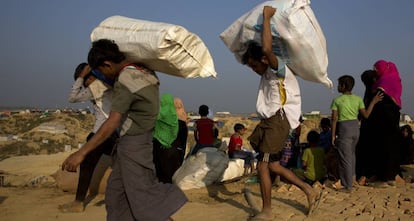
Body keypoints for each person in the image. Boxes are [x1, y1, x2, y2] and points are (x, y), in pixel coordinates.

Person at [61, 39, 187, 221]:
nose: (102, 76)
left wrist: (81, 153)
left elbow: (112, 122)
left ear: (107, 64)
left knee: (146, 202)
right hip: (135, 143)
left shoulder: (125, 82)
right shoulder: (145, 71)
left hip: (133, 145)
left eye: (100, 71)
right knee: (116, 196)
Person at [242, 6, 322, 219]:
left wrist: (267, 18)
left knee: (263, 166)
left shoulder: (278, 69)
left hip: (279, 120)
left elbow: (267, 49)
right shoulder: (267, 74)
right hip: (269, 121)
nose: (254, 70)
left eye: (254, 65)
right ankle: (309, 190)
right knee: (274, 165)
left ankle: (267, 211)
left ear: (265, 60)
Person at [59, 62, 117, 213]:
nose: (87, 84)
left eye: (86, 81)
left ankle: (78, 202)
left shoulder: (96, 86)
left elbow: (72, 98)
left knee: (87, 166)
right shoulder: (108, 84)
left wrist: (80, 77)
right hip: (114, 132)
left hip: (101, 132)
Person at [330, 75, 382, 192]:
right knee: (351, 156)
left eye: (339, 84)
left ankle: (348, 186)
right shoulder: (358, 99)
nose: (338, 86)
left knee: (345, 158)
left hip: (344, 129)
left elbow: (334, 119)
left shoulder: (337, 100)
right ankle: (351, 180)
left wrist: (333, 135)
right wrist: (373, 102)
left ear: (343, 86)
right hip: (355, 128)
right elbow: (366, 115)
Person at [369, 60, 405, 185]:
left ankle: (385, 177)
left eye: (377, 70)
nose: (376, 72)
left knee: (383, 147)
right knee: (392, 147)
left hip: (383, 120)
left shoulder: (383, 83)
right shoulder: (396, 81)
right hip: (393, 118)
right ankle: (392, 176)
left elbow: (377, 99)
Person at [153, 93, 188, 183]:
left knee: (160, 178)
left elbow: (153, 137)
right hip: (174, 153)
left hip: (159, 152)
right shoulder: (179, 121)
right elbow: (183, 139)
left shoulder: (158, 119)